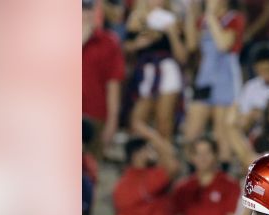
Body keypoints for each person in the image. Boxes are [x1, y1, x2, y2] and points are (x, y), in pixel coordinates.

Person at [184, 0, 246, 151]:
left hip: (226, 79)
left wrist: (210, 16)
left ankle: (224, 169)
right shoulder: (203, 20)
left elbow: (223, 45)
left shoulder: (234, 18)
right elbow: (191, 44)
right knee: (191, 130)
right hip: (205, 77)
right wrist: (191, 13)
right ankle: (192, 168)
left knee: (221, 131)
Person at [112, 124, 182, 215]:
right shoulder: (144, 180)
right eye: (148, 149)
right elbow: (173, 166)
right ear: (137, 155)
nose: (153, 153)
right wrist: (152, 135)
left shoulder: (122, 183)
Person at [124, 0, 189, 140]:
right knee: (136, 121)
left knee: (164, 122)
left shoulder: (174, 20)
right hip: (146, 73)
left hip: (168, 71)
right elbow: (124, 48)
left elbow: (183, 58)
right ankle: (164, 152)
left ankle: (164, 158)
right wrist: (137, 44)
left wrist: (172, 34)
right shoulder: (136, 19)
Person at [172, 138, 241, 215]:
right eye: (198, 153)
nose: (202, 158)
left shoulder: (229, 185)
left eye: (207, 153)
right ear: (191, 157)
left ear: (215, 155)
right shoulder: (183, 188)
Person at [82, 5, 124, 151]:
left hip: (95, 116)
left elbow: (113, 84)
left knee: (90, 167)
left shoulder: (108, 42)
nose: (85, 14)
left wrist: (112, 121)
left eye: (89, 9)